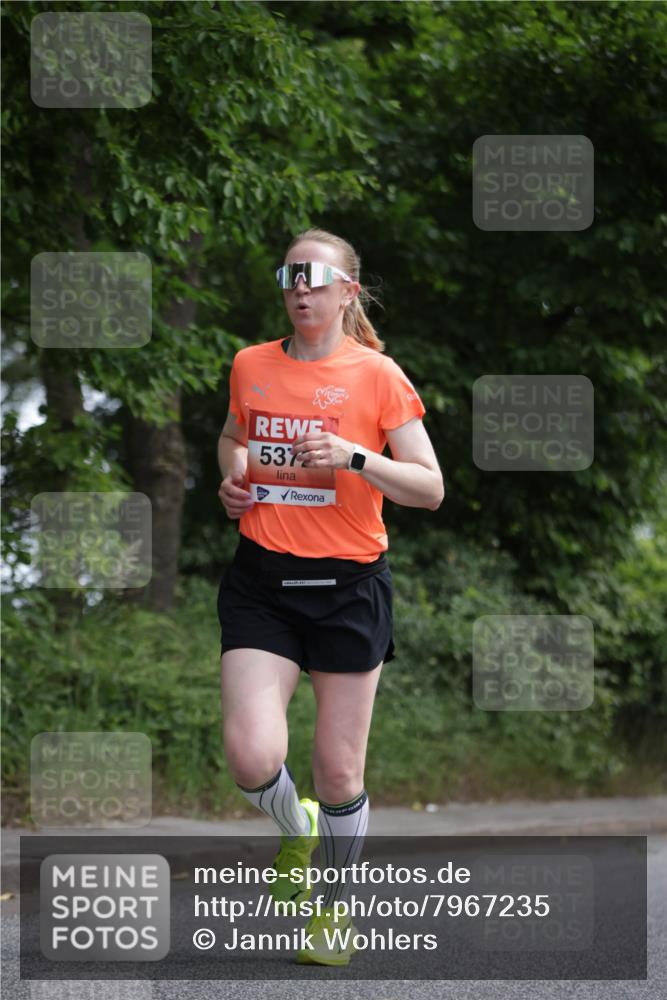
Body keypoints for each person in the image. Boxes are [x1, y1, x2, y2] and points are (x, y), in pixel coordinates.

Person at [217, 227, 444, 966]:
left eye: (315, 277)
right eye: (290, 277)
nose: (300, 289)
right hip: (262, 584)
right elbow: (232, 437)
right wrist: (234, 475)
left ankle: (334, 915)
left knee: (340, 769)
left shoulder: (376, 374)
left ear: (348, 291)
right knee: (252, 754)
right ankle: (295, 824)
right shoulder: (250, 364)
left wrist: (354, 457)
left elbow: (429, 488)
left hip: (348, 588)